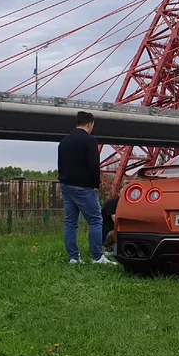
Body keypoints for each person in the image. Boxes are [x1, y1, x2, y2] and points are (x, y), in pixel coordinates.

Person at [58, 111, 116, 264]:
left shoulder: (64, 141)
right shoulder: (89, 140)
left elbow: (61, 164)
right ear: (90, 123)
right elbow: (93, 165)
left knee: (70, 222)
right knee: (96, 220)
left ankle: (74, 257)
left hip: (66, 185)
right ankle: (97, 257)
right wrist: (95, 184)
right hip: (84, 187)